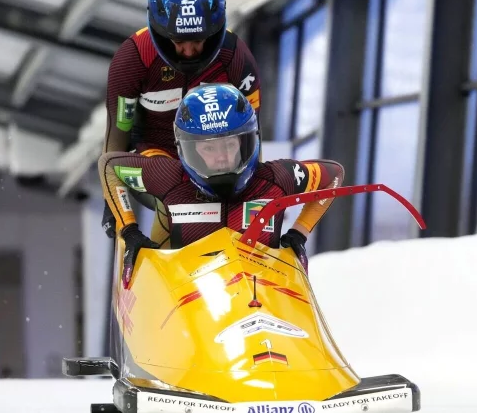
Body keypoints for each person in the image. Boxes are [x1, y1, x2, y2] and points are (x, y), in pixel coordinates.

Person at [98, 84, 343, 287]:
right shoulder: (168, 177)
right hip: (189, 304)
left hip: (262, 297)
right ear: (188, 149)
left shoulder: (276, 178)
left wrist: (299, 233)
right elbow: (110, 167)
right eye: (208, 148)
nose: (221, 157)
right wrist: (128, 231)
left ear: (247, 141)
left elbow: (332, 176)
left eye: (230, 145)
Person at [101, 0, 262, 249]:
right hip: (157, 153)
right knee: (175, 195)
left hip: (218, 158)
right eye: (178, 41)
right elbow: (119, 130)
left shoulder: (236, 58)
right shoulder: (133, 59)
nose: (189, 51)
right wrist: (112, 200)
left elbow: (252, 134)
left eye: (198, 41)